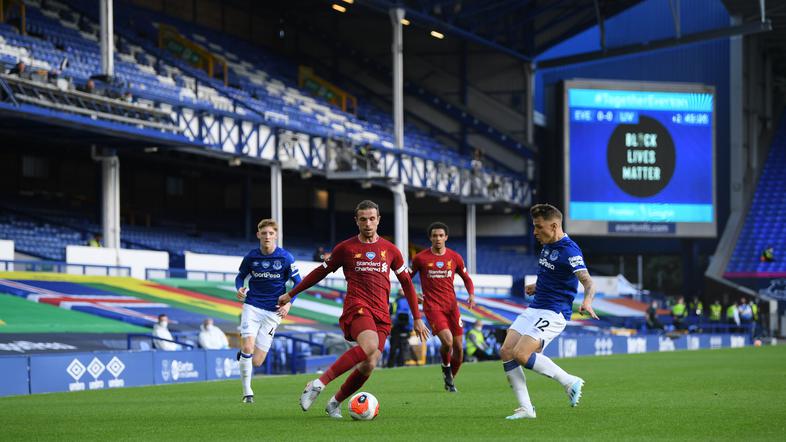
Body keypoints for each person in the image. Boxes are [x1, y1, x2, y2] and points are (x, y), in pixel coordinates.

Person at [278, 200, 428, 419]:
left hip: (382, 314)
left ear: (378, 220)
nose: (368, 223)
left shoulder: (391, 251)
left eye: (372, 218)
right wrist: (291, 293)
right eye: (363, 219)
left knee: (369, 363)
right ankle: (318, 384)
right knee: (369, 346)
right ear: (356, 221)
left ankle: (334, 403)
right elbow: (319, 273)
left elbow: (406, 282)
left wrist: (417, 317)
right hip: (357, 307)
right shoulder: (346, 248)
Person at [499, 203, 598, 420]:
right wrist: (537, 285)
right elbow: (552, 273)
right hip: (536, 307)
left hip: (554, 312)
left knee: (522, 354)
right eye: (534, 226)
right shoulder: (547, 244)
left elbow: (588, 282)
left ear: (554, 226)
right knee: (506, 351)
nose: (535, 232)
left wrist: (587, 302)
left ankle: (570, 381)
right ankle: (526, 408)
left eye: (539, 227)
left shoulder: (569, 250)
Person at [235, 218, 302, 404]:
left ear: (276, 235)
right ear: (258, 235)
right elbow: (240, 277)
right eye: (264, 233)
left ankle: (243, 357)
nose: (267, 236)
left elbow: (299, 283)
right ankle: (247, 392)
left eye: (271, 233)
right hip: (252, 306)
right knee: (248, 346)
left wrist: (288, 303)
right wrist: (239, 288)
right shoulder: (251, 257)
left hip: (274, 312)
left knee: (257, 361)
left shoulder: (286, 258)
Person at [410, 221, 476, 392]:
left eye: (441, 235)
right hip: (433, 307)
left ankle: (450, 381)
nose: (438, 239)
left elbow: (467, 278)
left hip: (452, 307)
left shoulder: (454, 257)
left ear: (446, 237)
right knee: (447, 342)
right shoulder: (420, 258)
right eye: (434, 236)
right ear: (430, 238)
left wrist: (471, 294)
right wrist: (410, 293)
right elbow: (407, 279)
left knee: (460, 348)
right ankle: (446, 367)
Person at [387, 291, 413, 368]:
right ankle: (400, 365)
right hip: (405, 328)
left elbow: (390, 315)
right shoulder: (409, 303)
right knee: (403, 348)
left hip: (396, 328)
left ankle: (390, 366)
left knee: (394, 348)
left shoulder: (395, 303)